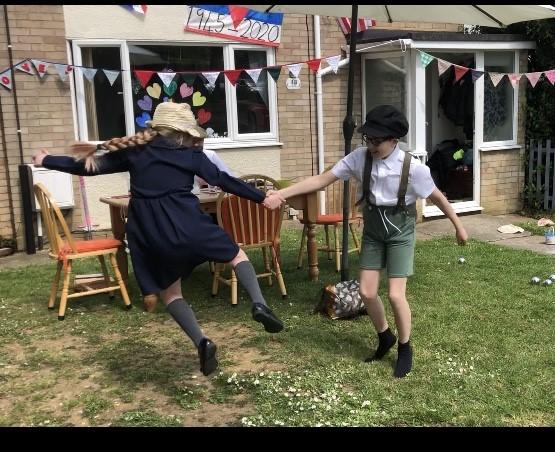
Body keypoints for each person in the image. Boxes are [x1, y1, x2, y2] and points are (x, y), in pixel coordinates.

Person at [32, 102, 284, 377]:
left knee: (170, 293)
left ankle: (202, 342)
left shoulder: (135, 151)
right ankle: (259, 303)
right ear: (183, 133)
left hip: (149, 232)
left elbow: (86, 167)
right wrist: (262, 197)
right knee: (236, 255)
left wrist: (47, 160)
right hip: (188, 223)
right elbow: (223, 180)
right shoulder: (191, 154)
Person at [265, 105, 468, 378]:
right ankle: (385, 336)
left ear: (393, 140)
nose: (370, 145)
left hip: (400, 232)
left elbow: (438, 197)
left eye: (376, 140)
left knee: (395, 294)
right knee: (367, 292)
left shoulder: (413, 168)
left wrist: (458, 226)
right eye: (368, 138)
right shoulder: (360, 158)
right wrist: (282, 194)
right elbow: (322, 180)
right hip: (373, 231)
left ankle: (405, 347)